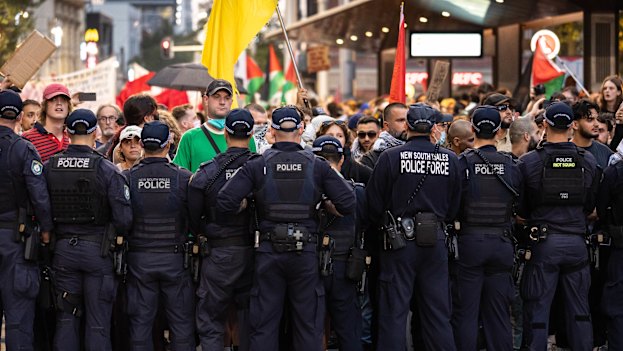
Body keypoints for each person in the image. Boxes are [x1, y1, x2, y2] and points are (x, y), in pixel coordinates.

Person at [217, 106, 356, 351]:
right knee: (308, 325)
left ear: (272, 130)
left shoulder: (257, 164)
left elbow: (225, 201)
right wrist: (322, 202)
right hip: (306, 254)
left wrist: (249, 202)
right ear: (301, 129)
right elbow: (348, 202)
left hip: (269, 252)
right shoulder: (317, 165)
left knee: (264, 325)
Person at [366, 103, 461, 350]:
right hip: (436, 240)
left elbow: (374, 203)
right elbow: (454, 206)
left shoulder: (390, 157)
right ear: (433, 128)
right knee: (437, 313)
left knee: (393, 313)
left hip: (399, 243)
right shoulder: (451, 159)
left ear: (407, 125)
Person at [45, 109, 132, 350]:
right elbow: (124, 218)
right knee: (98, 323)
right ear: (94, 132)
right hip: (98, 251)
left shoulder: (49, 166)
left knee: (66, 319)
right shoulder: (107, 169)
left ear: (67, 132)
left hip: (62, 250)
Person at [517, 101, 599, 350]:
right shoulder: (589, 161)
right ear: (572, 125)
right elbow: (591, 207)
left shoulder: (528, 162)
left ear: (545, 124)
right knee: (580, 311)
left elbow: (520, 210)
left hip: (544, 244)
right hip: (577, 243)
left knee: (538, 309)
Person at [452, 106, 523, 350]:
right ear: (499, 131)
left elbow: (452, 204)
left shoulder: (462, 163)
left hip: (469, 244)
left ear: (472, 129)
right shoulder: (511, 165)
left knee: (466, 313)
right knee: (499, 314)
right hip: (501, 244)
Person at [123, 120, 195, 350]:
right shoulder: (184, 178)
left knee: (141, 323)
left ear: (143, 144)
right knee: (181, 324)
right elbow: (194, 218)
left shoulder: (128, 177)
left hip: (139, 259)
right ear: (169, 143)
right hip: (175, 259)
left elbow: (121, 219)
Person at [189, 109, 256, 351]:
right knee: (250, 317)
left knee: (209, 318)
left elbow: (193, 215)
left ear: (226, 133)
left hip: (218, 253)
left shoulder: (208, 170)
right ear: (251, 135)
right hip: (254, 252)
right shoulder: (260, 167)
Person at [0, 90, 53, 350]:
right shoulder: (23, 149)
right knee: (19, 319)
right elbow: (39, 196)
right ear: (20, 117)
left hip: (13, 236)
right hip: (15, 240)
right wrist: (46, 232)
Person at [312, 135, 365, 351]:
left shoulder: (308, 192)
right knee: (348, 328)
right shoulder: (357, 191)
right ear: (341, 160)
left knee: (311, 326)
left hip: (312, 264)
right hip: (345, 265)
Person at [174, 79, 256, 172]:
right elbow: (179, 177)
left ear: (231, 101)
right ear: (206, 99)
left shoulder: (246, 137)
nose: (222, 102)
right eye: (217, 97)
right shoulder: (190, 137)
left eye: (227, 98)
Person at [597, 155, 623, 350]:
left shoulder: (614, 173)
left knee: (616, 306)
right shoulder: (614, 172)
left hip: (619, 247)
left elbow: (601, 209)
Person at [22, 83, 72, 162]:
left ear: (68, 106)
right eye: (53, 99)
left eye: (63, 99)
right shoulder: (28, 138)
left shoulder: (72, 138)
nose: (59, 103)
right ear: (44, 106)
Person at [317, 119, 372, 184]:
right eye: (330, 135)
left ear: (345, 139)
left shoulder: (359, 170)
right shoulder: (311, 163)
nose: (335, 139)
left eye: (340, 136)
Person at [360, 102, 408, 168]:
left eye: (408, 120)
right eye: (401, 120)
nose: (406, 125)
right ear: (386, 126)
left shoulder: (416, 151)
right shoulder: (372, 158)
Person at [571, 99, 613, 169]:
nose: (596, 124)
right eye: (590, 120)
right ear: (575, 124)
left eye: (597, 119)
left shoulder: (606, 153)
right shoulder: (562, 152)